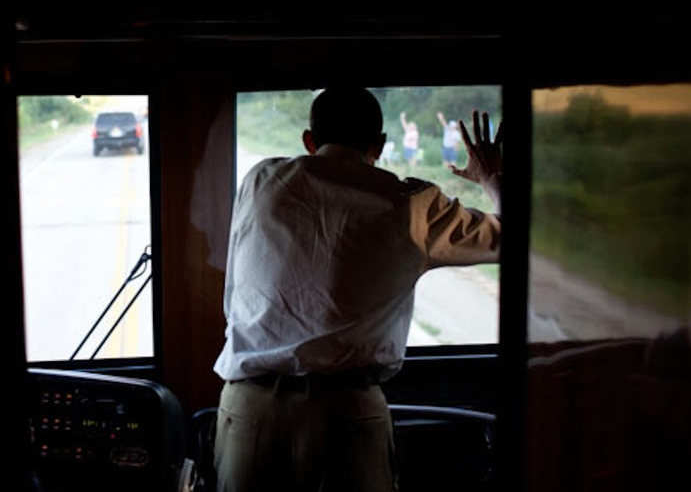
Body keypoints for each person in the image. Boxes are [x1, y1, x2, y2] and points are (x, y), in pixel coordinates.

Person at [212, 87, 503, 492]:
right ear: (380, 145)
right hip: (347, 412)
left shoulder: (262, 181)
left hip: (251, 409)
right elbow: (509, 237)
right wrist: (490, 179)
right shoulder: (413, 206)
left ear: (309, 141)